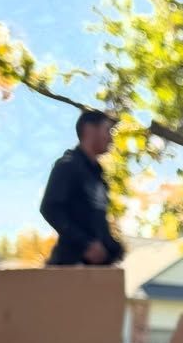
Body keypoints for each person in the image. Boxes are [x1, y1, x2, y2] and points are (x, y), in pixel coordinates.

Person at [40, 110, 123, 267]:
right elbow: (50, 208)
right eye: (108, 130)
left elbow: (96, 222)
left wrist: (112, 248)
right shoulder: (67, 165)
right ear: (89, 129)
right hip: (69, 267)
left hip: (97, 269)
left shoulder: (98, 176)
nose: (111, 138)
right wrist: (85, 244)